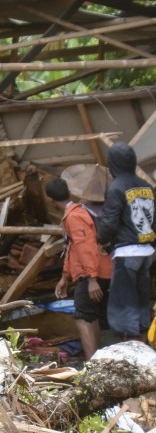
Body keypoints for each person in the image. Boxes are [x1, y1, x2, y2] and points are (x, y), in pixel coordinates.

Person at [98, 141, 156, 339]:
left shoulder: (115, 188)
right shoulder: (147, 186)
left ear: (112, 163)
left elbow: (109, 224)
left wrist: (102, 240)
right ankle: (144, 334)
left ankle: (130, 339)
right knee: (141, 296)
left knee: (123, 298)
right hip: (147, 252)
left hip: (126, 251)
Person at [49, 176, 111, 358]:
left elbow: (85, 246)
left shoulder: (74, 216)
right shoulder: (77, 212)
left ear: (51, 200)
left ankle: (93, 363)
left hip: (92, 272)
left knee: (83, 317)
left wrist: (91, 278)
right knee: (91, 315)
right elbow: (72, 248)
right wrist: (65, 276)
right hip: (99, 269)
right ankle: (98, 360)